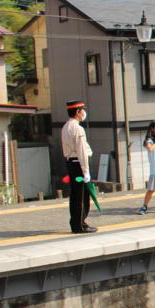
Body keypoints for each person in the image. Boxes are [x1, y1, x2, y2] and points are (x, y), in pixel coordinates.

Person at [62, 99, 96, 234]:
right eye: (82, 110)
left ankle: (76, 223)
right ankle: (80, 225)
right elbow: (81, 151)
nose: (84, 112)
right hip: (78, 165)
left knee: (75, 195)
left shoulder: (66, 126)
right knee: (82, 196)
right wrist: (86, 171)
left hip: (71, 163)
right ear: (77, 111)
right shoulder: (78, 128)